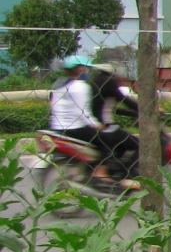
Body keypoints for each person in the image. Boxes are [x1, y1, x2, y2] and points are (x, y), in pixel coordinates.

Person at [48, 54, 134, 190]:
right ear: (79, 69)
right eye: (85, 68)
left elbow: (52, 106)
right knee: (107, 138)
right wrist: (97, 125)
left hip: (58, 127)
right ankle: (101, 172)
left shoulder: (58, 84)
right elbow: (82, 112)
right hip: (76, 127)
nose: (87, 71)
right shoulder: (81, 86)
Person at [87, 62, 141, 180]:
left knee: (122, 144)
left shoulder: (94, 82)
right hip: (106, 127)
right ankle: (128, 172)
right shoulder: (109, 82)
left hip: (93, 125)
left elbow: (112, 107)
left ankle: (115, 169)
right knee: (139, 145)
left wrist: (133, 113)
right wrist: (145, 110)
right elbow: (124, 100)